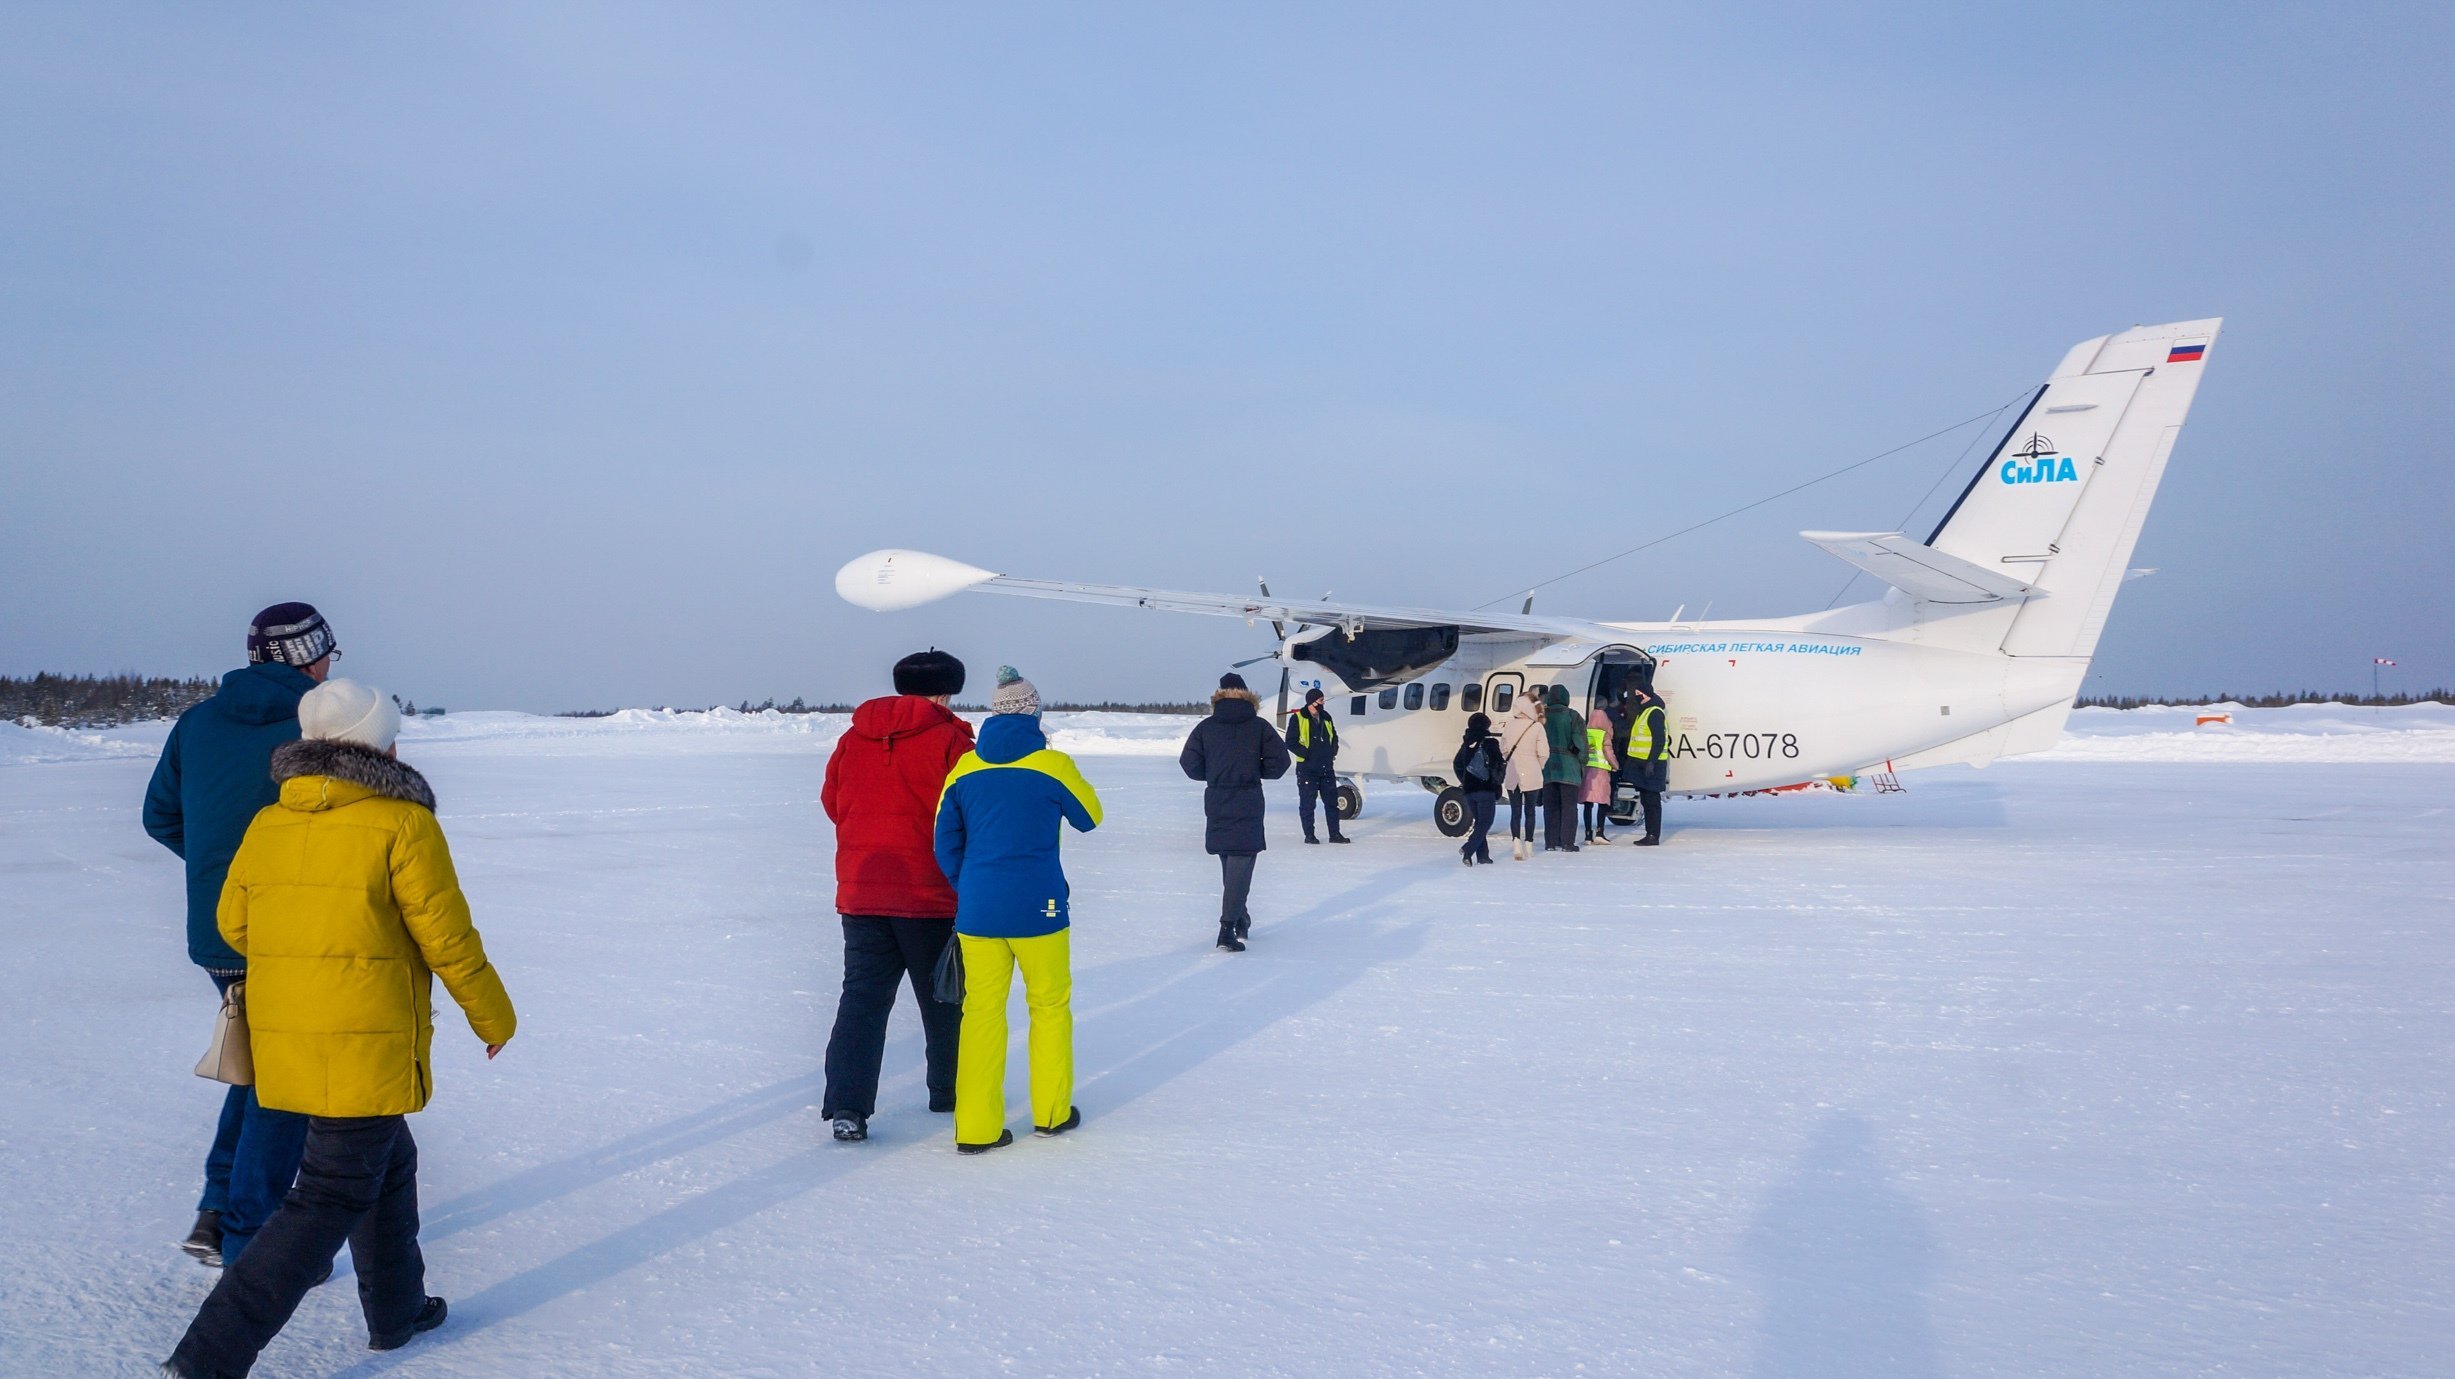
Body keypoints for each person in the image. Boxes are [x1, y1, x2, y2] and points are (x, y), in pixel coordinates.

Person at [163, 680, 516, 1377]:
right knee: (324, 1198)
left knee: (389, 1160)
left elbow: (234, 924)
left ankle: (397, 1310)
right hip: (366, 1038)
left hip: (291, 1034)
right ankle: (205, 1358)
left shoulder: (271, 822)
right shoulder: (402, 823)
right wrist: (493, 1014)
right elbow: (448, 940)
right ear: (373, 742)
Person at [142, 603, 336, 1269]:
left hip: (216, 936)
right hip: (289, 936)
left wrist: (219, 875)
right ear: (308, 655)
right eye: (327, 652)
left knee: (256, 1065)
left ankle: (215, 1211)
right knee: (284, 1086)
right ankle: (250, 1242)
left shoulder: (197, 721)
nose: (331, 665)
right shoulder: (318, 724)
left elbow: (159, 815)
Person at [934, 668, 1101, 1154]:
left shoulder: (964, 768)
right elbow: (1090, 818)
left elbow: (944, 842)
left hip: (979, 909)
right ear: (1034, 712)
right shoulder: (1052, 765)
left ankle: (976, 1128)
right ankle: (1051, 1113)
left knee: (980, 1014)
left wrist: (969, 887)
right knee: (1048, 1007)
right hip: (1040, 908)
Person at [817, 649, 974, 1143]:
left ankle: (848, 1107)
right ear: (947, 691)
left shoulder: (852, 737)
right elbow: (966, 810)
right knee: (944, 997)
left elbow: (832, 802)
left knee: (862, 1001)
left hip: (862, 891)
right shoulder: (951, 739)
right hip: (930, 892)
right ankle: (949, 1091)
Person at [1179, 672, 1292, 951]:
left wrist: (1215, 774)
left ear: (1219, 695)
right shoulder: (1259, 727)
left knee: (1230, 861)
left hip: (1217, 799)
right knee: (1241, 862)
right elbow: (1280, 763)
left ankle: (1240, 918)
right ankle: (1227, 929)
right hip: (1248, 799)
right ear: (1246, 695)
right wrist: (1254, 771)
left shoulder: (1206, 727)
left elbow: (1189, 763)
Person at [1283, 686, 1349, 844]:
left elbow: (1333, 735)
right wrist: (1306, 754)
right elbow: (1290, 742)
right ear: (1312, 702)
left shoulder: (1326, 716)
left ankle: (1335, 834)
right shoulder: (1298, 718)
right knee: (1308, 804)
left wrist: (1333, 750)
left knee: (1331, 803)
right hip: (1307, 770)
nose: (1323, 703)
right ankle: (1309, 835)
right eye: (1320, 700)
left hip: (1326, 768)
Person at [1615, 682, 1672, 846]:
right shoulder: (1646, 711)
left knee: (1652, 801)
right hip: (1642, 765)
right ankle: (1650, 833)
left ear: (1647, 694)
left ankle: (1653, 835)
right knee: (1647, 800)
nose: (1637, 696)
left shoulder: (1654, 713)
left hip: (1651, 765)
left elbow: (1659, 740)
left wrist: (1651, 762)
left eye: (1639, 693)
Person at [1498, 692, 1550, 862]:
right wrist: (1538, 766)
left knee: (1515, 812)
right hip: (1532, 774)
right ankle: (1529, 845)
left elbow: (1504, 749)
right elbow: (1544, 753)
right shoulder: (1537, 727)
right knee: (1530, 811)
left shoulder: (1510, 725)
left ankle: (1516, 844)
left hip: (1513, 774)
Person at [1451, 713, 1504, 865]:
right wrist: (1496, 782)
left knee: (1480, 823)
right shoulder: (1490, 743)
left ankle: (1483, 856)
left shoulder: (1466, 744)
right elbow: (1497, 765)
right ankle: (1468, 848)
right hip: (1485, 790)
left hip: (1469, 792)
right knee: (1485, 823)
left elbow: (1457, 764)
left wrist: (1466, 781)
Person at [1541, 685, 1587, 852]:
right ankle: (1567, 842)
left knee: (1550, 807)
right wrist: (1582, 760)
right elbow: (1580, 743)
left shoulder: (1542, 716)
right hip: (1569, 768)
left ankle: (1550, 842)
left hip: (1547, 767)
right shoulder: (1572, 716)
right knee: (1569, 807)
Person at [1582, 700, 1620, 844]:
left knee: (1587, 804)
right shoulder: (1604, 735)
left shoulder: (1585, 733)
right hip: (1601, 773)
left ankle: (1587, 835)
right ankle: (1599, 832)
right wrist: (1616, 766)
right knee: (1603, 803)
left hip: (1587, 774)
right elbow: (1608, 753)